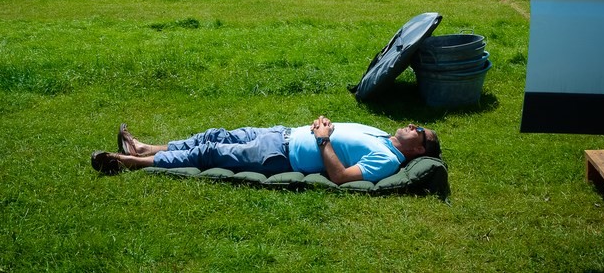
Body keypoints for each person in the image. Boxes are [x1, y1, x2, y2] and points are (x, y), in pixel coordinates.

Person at [91, 116, 441, 185]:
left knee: (209, 153)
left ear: (418, 150)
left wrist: (322, 138)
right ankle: (145, 146)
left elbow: (341, 177)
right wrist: (324, 124)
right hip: (282, 134)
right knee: (215, 135)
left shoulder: (389, 159)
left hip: (280, 156)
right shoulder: (383, 137)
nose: (414, 125)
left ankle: (131, 162)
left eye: (420, 130)